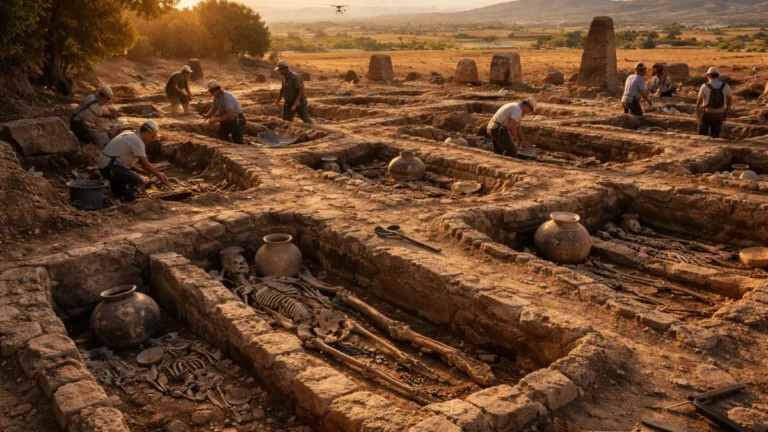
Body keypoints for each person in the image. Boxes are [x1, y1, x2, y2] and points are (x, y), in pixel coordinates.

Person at [98, 121, 168, 202]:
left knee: (124, 189)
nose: (152, 139)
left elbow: (125, 160)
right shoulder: (137, 141)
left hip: (106, 166)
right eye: (152, 136)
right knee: (138, 183)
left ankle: (119, 197)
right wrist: (159, 175)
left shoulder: (129, 133)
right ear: (148, 132)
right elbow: (145, 163)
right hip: (110, 167)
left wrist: (144, 172)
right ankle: (127, 203)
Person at [696, 67, 733, 139]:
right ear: (718, 75)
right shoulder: (726, 86)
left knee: (702, 134)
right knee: (715, 135)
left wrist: (697, 109)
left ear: (709, 75)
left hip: (708, 112)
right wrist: (726, 111)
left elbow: (699, 100)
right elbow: (730, 101)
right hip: (720, 113)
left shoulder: (704, 86)